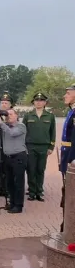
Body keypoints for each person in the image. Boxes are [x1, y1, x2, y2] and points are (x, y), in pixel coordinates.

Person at [23, 92, 56, 202]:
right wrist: (24, 146)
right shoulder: (28, 115)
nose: (39, 102)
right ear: (33, 102)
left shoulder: (50, 116)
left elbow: (53, 132)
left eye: (41, 100)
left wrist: (51, 146)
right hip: (30, 146)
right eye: (37, 100)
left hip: (44, 147)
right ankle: (32, 192)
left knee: (40, 170)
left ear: (45, 102)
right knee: (31, 169)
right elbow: (23, 131)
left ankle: (39, 192)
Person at [0, 109, 27, 214]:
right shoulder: (4, 126)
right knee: (9, 182)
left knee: (18, 182)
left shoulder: (21, 126)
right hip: (8, 157)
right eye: (7, 114)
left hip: (18, 156)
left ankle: (18, 205)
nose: (8, 116)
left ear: (16, 116)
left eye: (11, 114)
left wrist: (1, 123)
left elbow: (12, 133)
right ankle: (12, 202)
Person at [60, 84, 75, 231]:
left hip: (72, 158)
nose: (65, 96)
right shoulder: (72, 111)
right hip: (67, 156)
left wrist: (71, 161)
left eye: (68, 93)